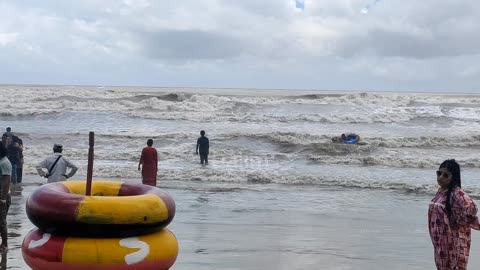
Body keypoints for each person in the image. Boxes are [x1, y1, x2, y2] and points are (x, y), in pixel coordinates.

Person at [428, 159, 480, 270]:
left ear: (453, 177)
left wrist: (458, 222)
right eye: (439, 173)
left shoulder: (456, 192)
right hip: (440, 242)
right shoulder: (441, 191)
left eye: (445, 175)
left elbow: (471, 207)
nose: (441, 177)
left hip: (451, 242)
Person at [0, 144, 11, 251]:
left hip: (2, 196)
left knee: (1, 221)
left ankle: (4, 244)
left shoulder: (4, 163)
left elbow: (7, 181)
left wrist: (3, 199)